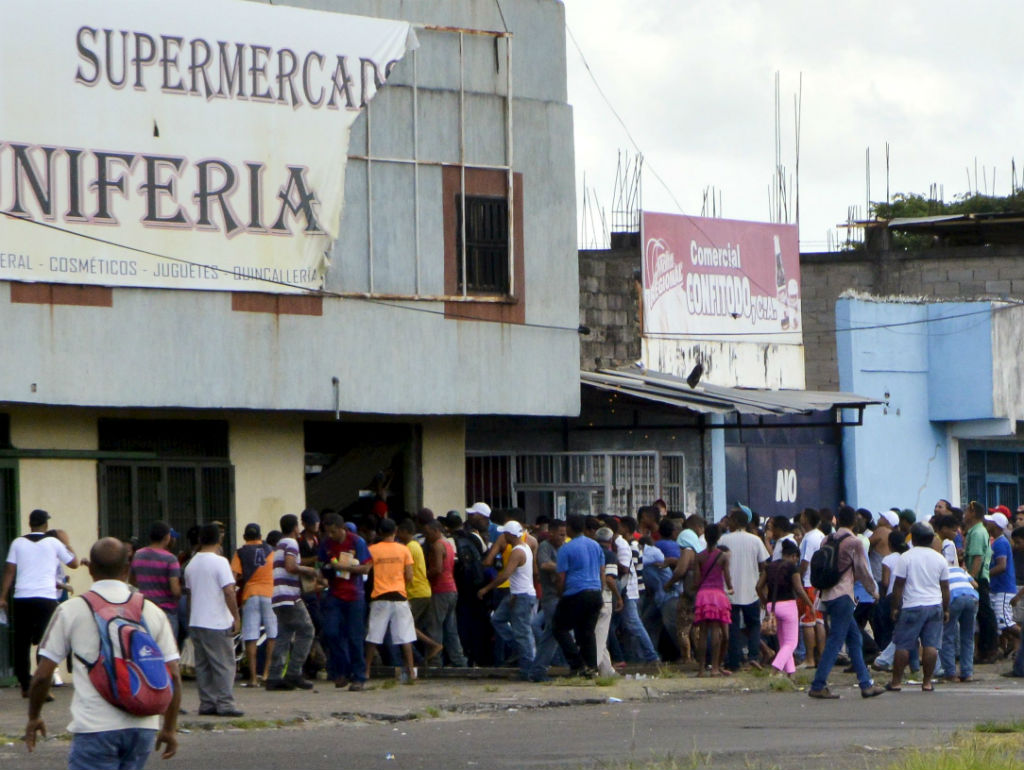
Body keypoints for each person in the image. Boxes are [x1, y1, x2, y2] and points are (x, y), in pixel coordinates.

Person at [25, 538, 182, 769]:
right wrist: (169, 728)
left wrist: (34, 717)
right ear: (127, 569)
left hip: (95, 727)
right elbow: (174, 676)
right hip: (143, 726)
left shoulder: (70, 610)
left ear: (91, 569)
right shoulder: (151, 610)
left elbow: (41, 676)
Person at [808, 506, 885, 699]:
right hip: (843, 596)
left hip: (827, 594)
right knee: (835, 641)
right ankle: (818, 684)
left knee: (854, 639)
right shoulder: (854, 542)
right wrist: (874, 592)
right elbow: (862, 570)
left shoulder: (827, 539)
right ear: (853, 522)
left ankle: (866, 684)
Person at [1, 508, 79, 697]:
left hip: (22, 597)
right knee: (45, 642)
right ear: (46, 524)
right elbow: (74, 563)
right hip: (46, 598)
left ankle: (25, 685)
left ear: (30, 524)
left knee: (22, 642)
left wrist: (2, 596)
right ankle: (42, 684)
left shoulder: (17, 543)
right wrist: (67, 543)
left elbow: (10, 571)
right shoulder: (53, 542)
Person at [183, 523, 242, 717]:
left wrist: (191, 617)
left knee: (204, 665)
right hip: (216, 621)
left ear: (200, 540)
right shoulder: (221, 562)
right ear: (219, 540)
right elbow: (229, 591)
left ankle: (207, 703)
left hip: (197, 621)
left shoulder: (191, 564)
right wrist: (236, 616)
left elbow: (190, 595)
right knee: (224, 664)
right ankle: (225, 703)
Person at [887, 522, 950, 692]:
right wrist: (946, 609)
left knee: (903, 645)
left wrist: (895, 607)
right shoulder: (940, 559)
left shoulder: (906, 557)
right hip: (934, 605)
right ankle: (927, 682)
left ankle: (896, 682)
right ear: (931, 539)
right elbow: (945, 587)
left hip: (911, 606)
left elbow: (898, 585)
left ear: (913, 539)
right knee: (931, 646)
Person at [266, 514, 321, 691]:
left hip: (278, 596)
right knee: (307, 630)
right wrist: (310, 570)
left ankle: (274, 676)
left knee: (284, 634)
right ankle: (294, 672)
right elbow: (290, 566)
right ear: (295, 528)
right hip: (289, 596)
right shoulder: (291, 543)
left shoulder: (279, 545)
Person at [478, 520, 536, 680]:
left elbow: (505, 574)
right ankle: (519, 649)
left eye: (505, 533)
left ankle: (528, 669)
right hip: (517, 594)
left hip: (522, 595)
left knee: (523, 632)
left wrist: (486, 588)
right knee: (498, 620)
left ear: (510, 535)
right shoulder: (525, 547)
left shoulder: (517, 551)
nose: (503, 536)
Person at [365, 517, 418, 683]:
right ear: (395, 532)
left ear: (380, 532)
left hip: (380, 596)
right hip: (399, 596)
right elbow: (409, 575)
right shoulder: (404, 550)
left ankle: (365, 671)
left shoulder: (372, 549)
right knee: (406, 636)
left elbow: (366, 570)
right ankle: (411, 672)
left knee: (373, 636)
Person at [552, 514, 604, 677]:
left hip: (576, 592)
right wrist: (599, 591)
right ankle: (591, 667)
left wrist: (561, 594)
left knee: (559, 627)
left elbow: (561, 577)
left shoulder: (566, 548)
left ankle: (576, 662)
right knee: (587, 632)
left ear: (569, 528)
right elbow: (601, 571)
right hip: (595, 592)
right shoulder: (595, 545)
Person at [720, 507, 769, 672]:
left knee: (733, 627)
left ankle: (734, 661)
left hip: (730, 591)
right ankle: (753, 657)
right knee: (753, 625)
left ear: (734, 522)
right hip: (751, 590)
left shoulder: (724, 540)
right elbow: (764, 565)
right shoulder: (755, 540)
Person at [230, 523, 276, 688]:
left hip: (250, 594)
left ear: (244, 537)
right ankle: (267, 674)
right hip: (270, 593)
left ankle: (253, 678)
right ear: (260, 537)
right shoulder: (271, 550)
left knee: (250, 635)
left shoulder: (240, 552)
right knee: (272, 634)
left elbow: (233, 577)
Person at [757, 539, 811, 676]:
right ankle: (775, 669)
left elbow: (758, 587)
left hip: (772, 607)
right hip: (788, 606)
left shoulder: (769, 567)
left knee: (783, 643)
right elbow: (798, 589)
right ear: (794, 556)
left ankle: (790, 673)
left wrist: (764, 601)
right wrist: (810, 604)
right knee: (791, 643)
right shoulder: (792, 568)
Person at [396, 518, 444, 663]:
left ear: (405, 532)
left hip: (415, 591)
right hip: (423, 590)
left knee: (405, 626)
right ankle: (420, 659)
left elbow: (406, 572)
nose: (397, 534)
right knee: (411, 626)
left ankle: (432, 647)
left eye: (399, 531)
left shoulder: (409, 547)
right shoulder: (416, 545)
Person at [423, 519, 468, 668]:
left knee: (434, 626)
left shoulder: (437, 546)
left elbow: (437, 569)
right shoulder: (448, 544)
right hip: (451, 588)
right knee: (450, 628)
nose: (426, 537)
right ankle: (459, 660)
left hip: (440, 589)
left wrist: (423, 574)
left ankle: (435, 660)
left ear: (436, 531)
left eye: (428, 533)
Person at [528, 520, 567, 682]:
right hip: (551, 597)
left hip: (561, 596)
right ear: (551, 532)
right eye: (560, 534)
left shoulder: (563, 548)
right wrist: (563, 567)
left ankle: (539, 669)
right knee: (554, 633)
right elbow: (544, 564)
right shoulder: (545, 546)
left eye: (565, 534)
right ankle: (540, 670)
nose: (563, 538)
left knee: (553, 634)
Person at [130, 521, 182, 639]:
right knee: (167, 650)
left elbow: (132, 580)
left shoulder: (138, 555)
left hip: (144, 609)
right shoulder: (171, 559)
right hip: (166, 611)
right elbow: (175, 590)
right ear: (167, 537)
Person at [693, 523, 732, 677]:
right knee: (716, 631)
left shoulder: (699, 556)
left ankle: (701, 669)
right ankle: (715, 667)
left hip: (703, 595)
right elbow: (727, 579)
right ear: (718, 538)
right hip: (717, 595)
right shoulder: (723, 556)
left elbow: (696, 580)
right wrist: (731, 587)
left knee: (702, 633)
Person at [964, 500, 998, 663]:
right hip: (979, 577)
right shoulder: (976, 531)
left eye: (966, 511)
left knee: (984, 614)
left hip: (978, 578)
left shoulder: (977, 532)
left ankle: (989, 649)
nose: (964, 515)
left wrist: (971, 578)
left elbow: (977, 557)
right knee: (984, 613)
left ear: (972, 512)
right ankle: (987, 649)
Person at [985, 510, 1020, 657]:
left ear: (996, 525)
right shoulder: (999, 541)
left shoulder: (1000, 543)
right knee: (1001, 621)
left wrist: (985, 574)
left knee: (1004, 620)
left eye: (990, 523)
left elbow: (1002, 566)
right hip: (998, 588)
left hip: (1003, 588)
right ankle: (1014, 645)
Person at [797, 508, 826, 668]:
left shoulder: (809, 538)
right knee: (819, 621)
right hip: (819, 584)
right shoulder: (821, 535)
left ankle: (809, 658)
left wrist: (798, 577)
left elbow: (804, 562)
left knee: (808, 622)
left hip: (808, 583)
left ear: (806, 519)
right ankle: (821, 655)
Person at [940, 561, 978, 683]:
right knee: (968, 637)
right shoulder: (960, 570)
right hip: (971, 598)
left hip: (954, 598)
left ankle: (950, 673)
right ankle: (967, 673)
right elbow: (975, 584)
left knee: (947, 636)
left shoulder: (940, 570)